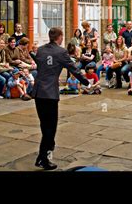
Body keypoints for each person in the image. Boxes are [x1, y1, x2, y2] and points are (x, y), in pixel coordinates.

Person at [30, 27, 90, 170]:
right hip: (50, 93)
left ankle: (42, 154)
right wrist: (87, 82)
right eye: (62, 37)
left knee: (45, 124)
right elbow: (73, 68)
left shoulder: (41, 49)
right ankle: (44, 157)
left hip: (38, 92)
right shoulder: (61, 52)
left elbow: (38, 61)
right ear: (59, 37)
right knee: (51, 127)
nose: (63, 39)